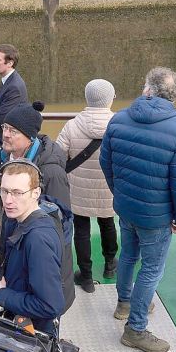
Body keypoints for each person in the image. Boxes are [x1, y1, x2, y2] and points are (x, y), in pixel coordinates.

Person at [99, 67, 176, 352]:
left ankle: (124, 304)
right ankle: (136, 329)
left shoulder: (118, 120)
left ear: (146, 90)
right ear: (173, 96)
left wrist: (120, 193)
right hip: (156, 216)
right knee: (152, 268)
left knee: (128, 255)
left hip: (126, 206)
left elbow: (107, 164)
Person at [0, 101, 70, 268]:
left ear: (30, 137)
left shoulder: (50, 172)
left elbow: (60, 228)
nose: (6, 135)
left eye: (13, 131)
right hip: (4, 255)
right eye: (5, 128)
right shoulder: (7, 161)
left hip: (31, 263)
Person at [0, 160, 65, 335]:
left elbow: (50, 305)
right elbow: (23, 271)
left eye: (17, 193)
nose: (8, 200)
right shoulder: (17, 221)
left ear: (36, 193)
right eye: (4, 191)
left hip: (32, 340)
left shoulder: (38, 240)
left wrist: (1, 295)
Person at [56, 79, 118, 292]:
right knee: (107, 223)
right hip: (109, 187)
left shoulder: (72, 125)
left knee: (81, 230)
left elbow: (58, 156)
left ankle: (87, 277)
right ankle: (110, 265)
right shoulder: (119, 124)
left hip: (78, 189)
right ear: (111, 99)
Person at [0, 44, 28, 146]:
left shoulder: (14, 86)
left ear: (10, 63)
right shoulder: (8, 81)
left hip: (10, 145)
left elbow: (1, 118)